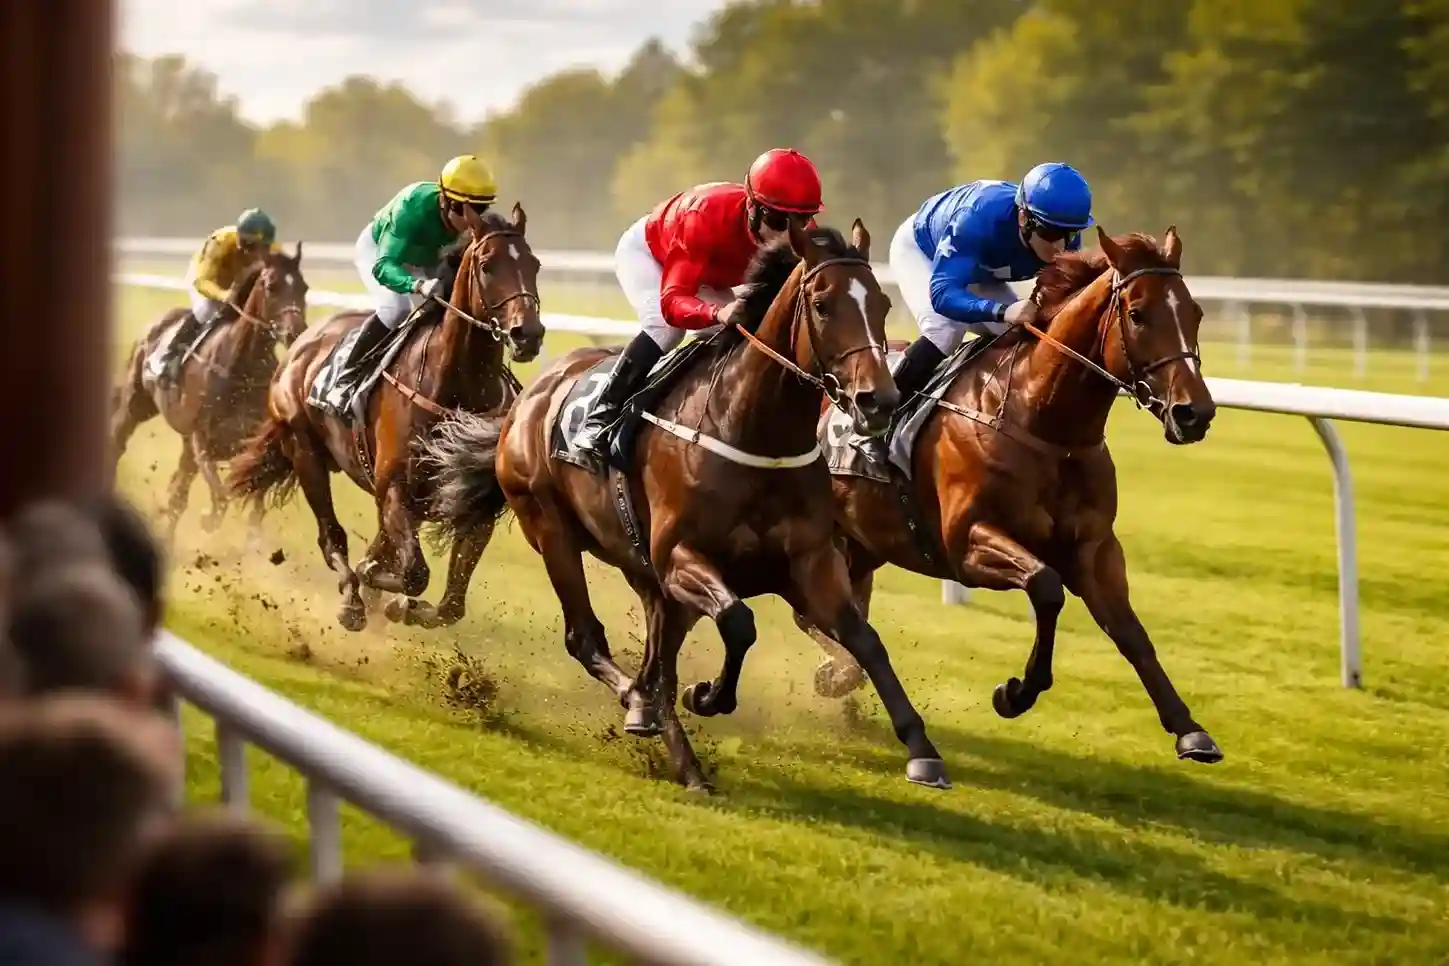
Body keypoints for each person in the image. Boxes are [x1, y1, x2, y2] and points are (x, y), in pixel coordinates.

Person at [570, 148, 824, 458]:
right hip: (654, 256)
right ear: (752, 205)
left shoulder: (797, 235)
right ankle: (601, 416)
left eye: (802, 220)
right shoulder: (703, 217)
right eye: (777, 218)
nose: (787, 232)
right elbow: (673, 303)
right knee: (665, 329)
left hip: (711, 274)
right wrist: (717, 312)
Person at [870, 162, 1093, 462]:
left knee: (1027, 336)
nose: (1060, 245)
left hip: (981, 268)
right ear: (1024, 217)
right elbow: (943, 295)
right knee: (945, 331)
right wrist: (1002, 311)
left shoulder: (1061, 234)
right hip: (923, 250)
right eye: (1051, 232)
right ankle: (878, 423)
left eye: (1071, 233)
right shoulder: (977, 220)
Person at [319, 155, 497, 415]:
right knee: (395, 309)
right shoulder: (411, 208)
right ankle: (346, 378)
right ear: (445, 201)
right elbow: (384, 266)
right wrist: (415, 285)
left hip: (428, 258)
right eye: (463, 209)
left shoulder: (474, 224)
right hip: (382, 252)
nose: (471, 219)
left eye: (480, 210)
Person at [160, 209, 278, 379]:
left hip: (239, 283)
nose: (256, 254)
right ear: (239, 237)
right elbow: (201, 281)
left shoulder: (275, 249)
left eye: (263, 248)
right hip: (207, 279)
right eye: (251, 246)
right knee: (206, 312)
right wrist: (223, 295)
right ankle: (171, 356)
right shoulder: (220, 242)